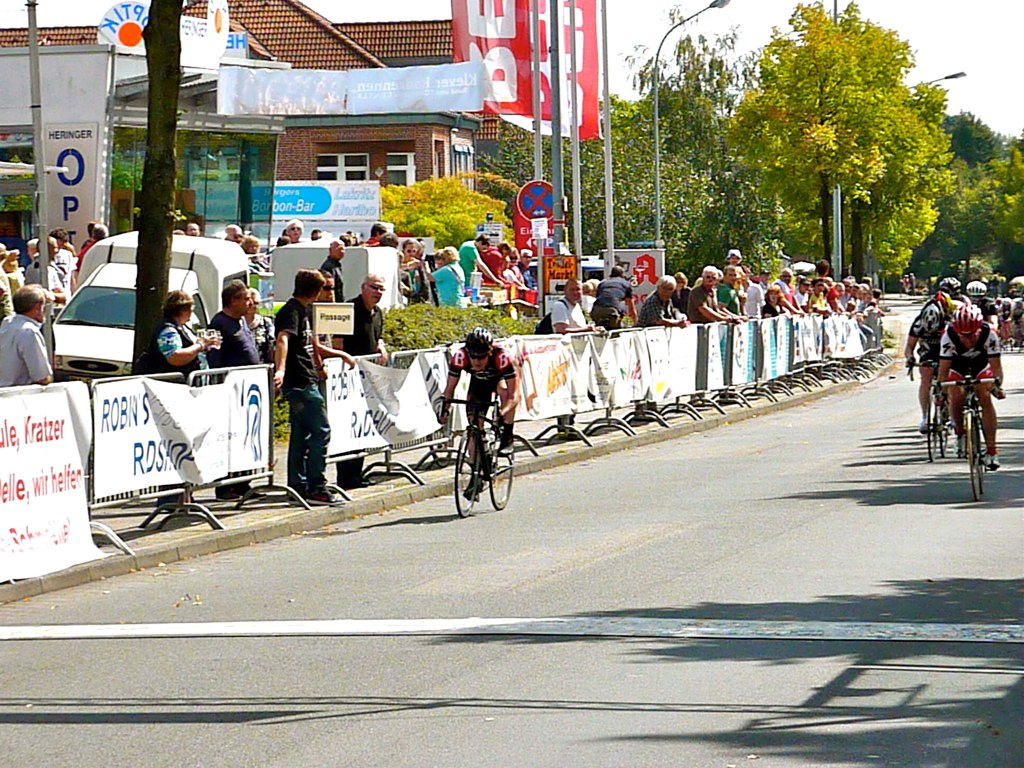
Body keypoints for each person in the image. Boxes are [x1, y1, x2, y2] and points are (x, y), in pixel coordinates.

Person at [273, 269, 350, 505]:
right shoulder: (291, 311)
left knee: (300, 434)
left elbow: (310, 342)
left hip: (306, 378)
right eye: (325, 288)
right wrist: (281, 369)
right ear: (315, 291)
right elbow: (283, 339)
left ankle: (298, 484)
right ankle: (316, 487)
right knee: (321, 431)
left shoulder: (303, 310)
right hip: (300, 382)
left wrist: (327, 359)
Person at [334, 274, 388, 490]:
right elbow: (338, 343)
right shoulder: (349, 309)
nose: (378, 292)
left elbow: (378, 337)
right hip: (347, 378)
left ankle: (356, 474)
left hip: (367, 379)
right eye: (374, 287)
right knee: (347, 427)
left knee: (362, 426)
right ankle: (344, 476)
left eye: (381, 289)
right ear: (363, 287)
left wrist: (381, 345)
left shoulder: (378, 313)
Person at [440, 327, 521, 470]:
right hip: (479, 383)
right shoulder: (460, 357)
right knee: (474, 425)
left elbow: (514, 396)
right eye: (473, 357)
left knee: (504, 392)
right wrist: (445, 409)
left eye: (482, 357)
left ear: (489, 352)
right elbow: (449, 389)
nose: (477, 361)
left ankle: (508, 434)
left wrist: (502, 412)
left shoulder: (502, 357)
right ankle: (477, 465)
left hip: (499, 378)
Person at [937, 303, 1005, 469]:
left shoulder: (989, 334)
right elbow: (943, 369)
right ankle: (960, 432)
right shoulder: (949, 335)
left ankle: (992, 451)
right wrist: (941, 392)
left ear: (979, 329)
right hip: (957, 365)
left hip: (980, 364)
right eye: (963, 336)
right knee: (955, 392)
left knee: (984, 396)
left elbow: (996, 367)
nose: (967, 340)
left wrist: (997, 386)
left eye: (972, 335)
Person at [905, 283, 958, 434]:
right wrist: (910, 358)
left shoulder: (950, 322)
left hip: (946, 350)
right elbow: (909, 347)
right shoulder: (918, 323)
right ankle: (925, 416)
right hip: (928, 351)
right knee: (925, 377)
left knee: (949, 378)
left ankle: (950, 412)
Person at [136, 290, 216, 376]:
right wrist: (201, 345)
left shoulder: (183, 326)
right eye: (189, 309)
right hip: (173, 381)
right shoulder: (168, 331)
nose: (191, 313)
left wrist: (206, 345)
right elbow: (174, 357)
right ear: (181, 310)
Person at [0, 285, 52, 386]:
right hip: (19, 392)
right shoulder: (29, 331)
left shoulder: (7, 323)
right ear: (37, 308)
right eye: (45, 304)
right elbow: (42, 378)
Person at [207, 280, 260, 369]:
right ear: (234, 301)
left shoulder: (242, 319)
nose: (251, 303)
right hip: (232, 375)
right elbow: (214, 358)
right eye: (246, 299)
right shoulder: (219, 323)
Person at [590, 265, 637, 330]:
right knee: (615, 332)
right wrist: (635, 324)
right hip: (612, 311)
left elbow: (599, 297)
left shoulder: (602, 283)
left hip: (596, 310)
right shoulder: (625, 284)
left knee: (598, 331)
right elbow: (631, 307)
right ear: (622, 274)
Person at [245, 288, 276, 364]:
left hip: (262, 366)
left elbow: (272, 346)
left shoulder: (266, 323)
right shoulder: (237, 323)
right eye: (249, 303)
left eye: (255, 303)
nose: (252, 306)